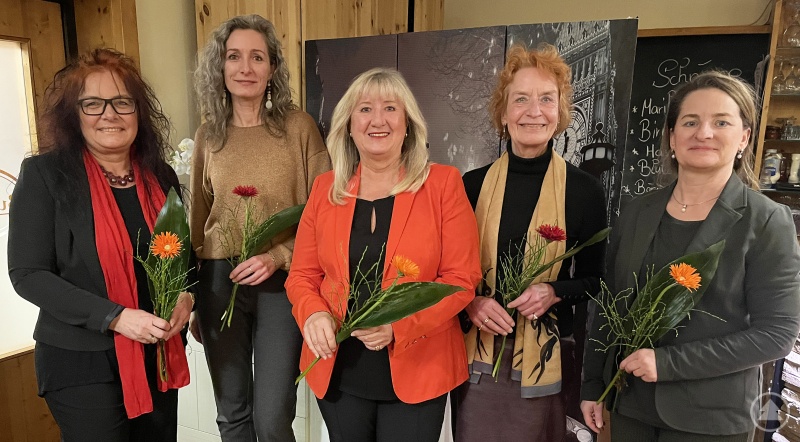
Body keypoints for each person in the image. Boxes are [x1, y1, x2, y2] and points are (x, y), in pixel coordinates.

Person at [580, 71, 800, 441]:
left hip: (710, 420)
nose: (704, 133)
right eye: (690, 121)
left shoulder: (765, 221)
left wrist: (667, 364)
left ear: (744, 137)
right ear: (672, 136)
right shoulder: (637, 212)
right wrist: (591, 385)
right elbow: (609, 304)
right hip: (627, 404)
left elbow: (776, 334)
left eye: (721, 122)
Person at [286, 67, 481, 442]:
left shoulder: (442, 184)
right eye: (365, 109)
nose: (378, 120)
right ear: (348, 124)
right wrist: (312, 314)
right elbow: (302, 276)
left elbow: (460, 281)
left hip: (419, 370)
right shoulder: (325, 188)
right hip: (339, 372)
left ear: (407, 124)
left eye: (391, 108)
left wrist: (397, 327)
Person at [8, 48, 192, 442]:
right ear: (74, 115)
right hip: (80, 361)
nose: (109, 114)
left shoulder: (161, 178)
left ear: (138, 112)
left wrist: (186, 298)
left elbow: (180, 258)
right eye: (92, 103)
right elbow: (29, 274)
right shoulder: (45, 176)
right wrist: (117, 317)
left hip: (156, 353)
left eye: (122, 102)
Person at [455, 44, 607, 442]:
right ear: (503, 114)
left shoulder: (585, 191)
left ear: (560, 113)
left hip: (545, 362)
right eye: (520, 100)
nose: (533, 111)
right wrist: (470, 302)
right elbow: (447, 273)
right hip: (475, 361)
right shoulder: (470, 186)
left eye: (546, 99)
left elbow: (595, 279)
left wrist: (553, 291)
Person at [189, 14, 330, 442]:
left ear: (272, 69)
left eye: (257, 57)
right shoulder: (207, 137)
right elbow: (199, 219)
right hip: (219, 282)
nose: (245, 68)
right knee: (232, 415)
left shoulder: (299, 128)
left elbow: (324, 211)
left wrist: (278, 256)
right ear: (221, 67)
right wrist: (196, 297)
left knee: (271, 419)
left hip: (282, 283)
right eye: (234, 57)